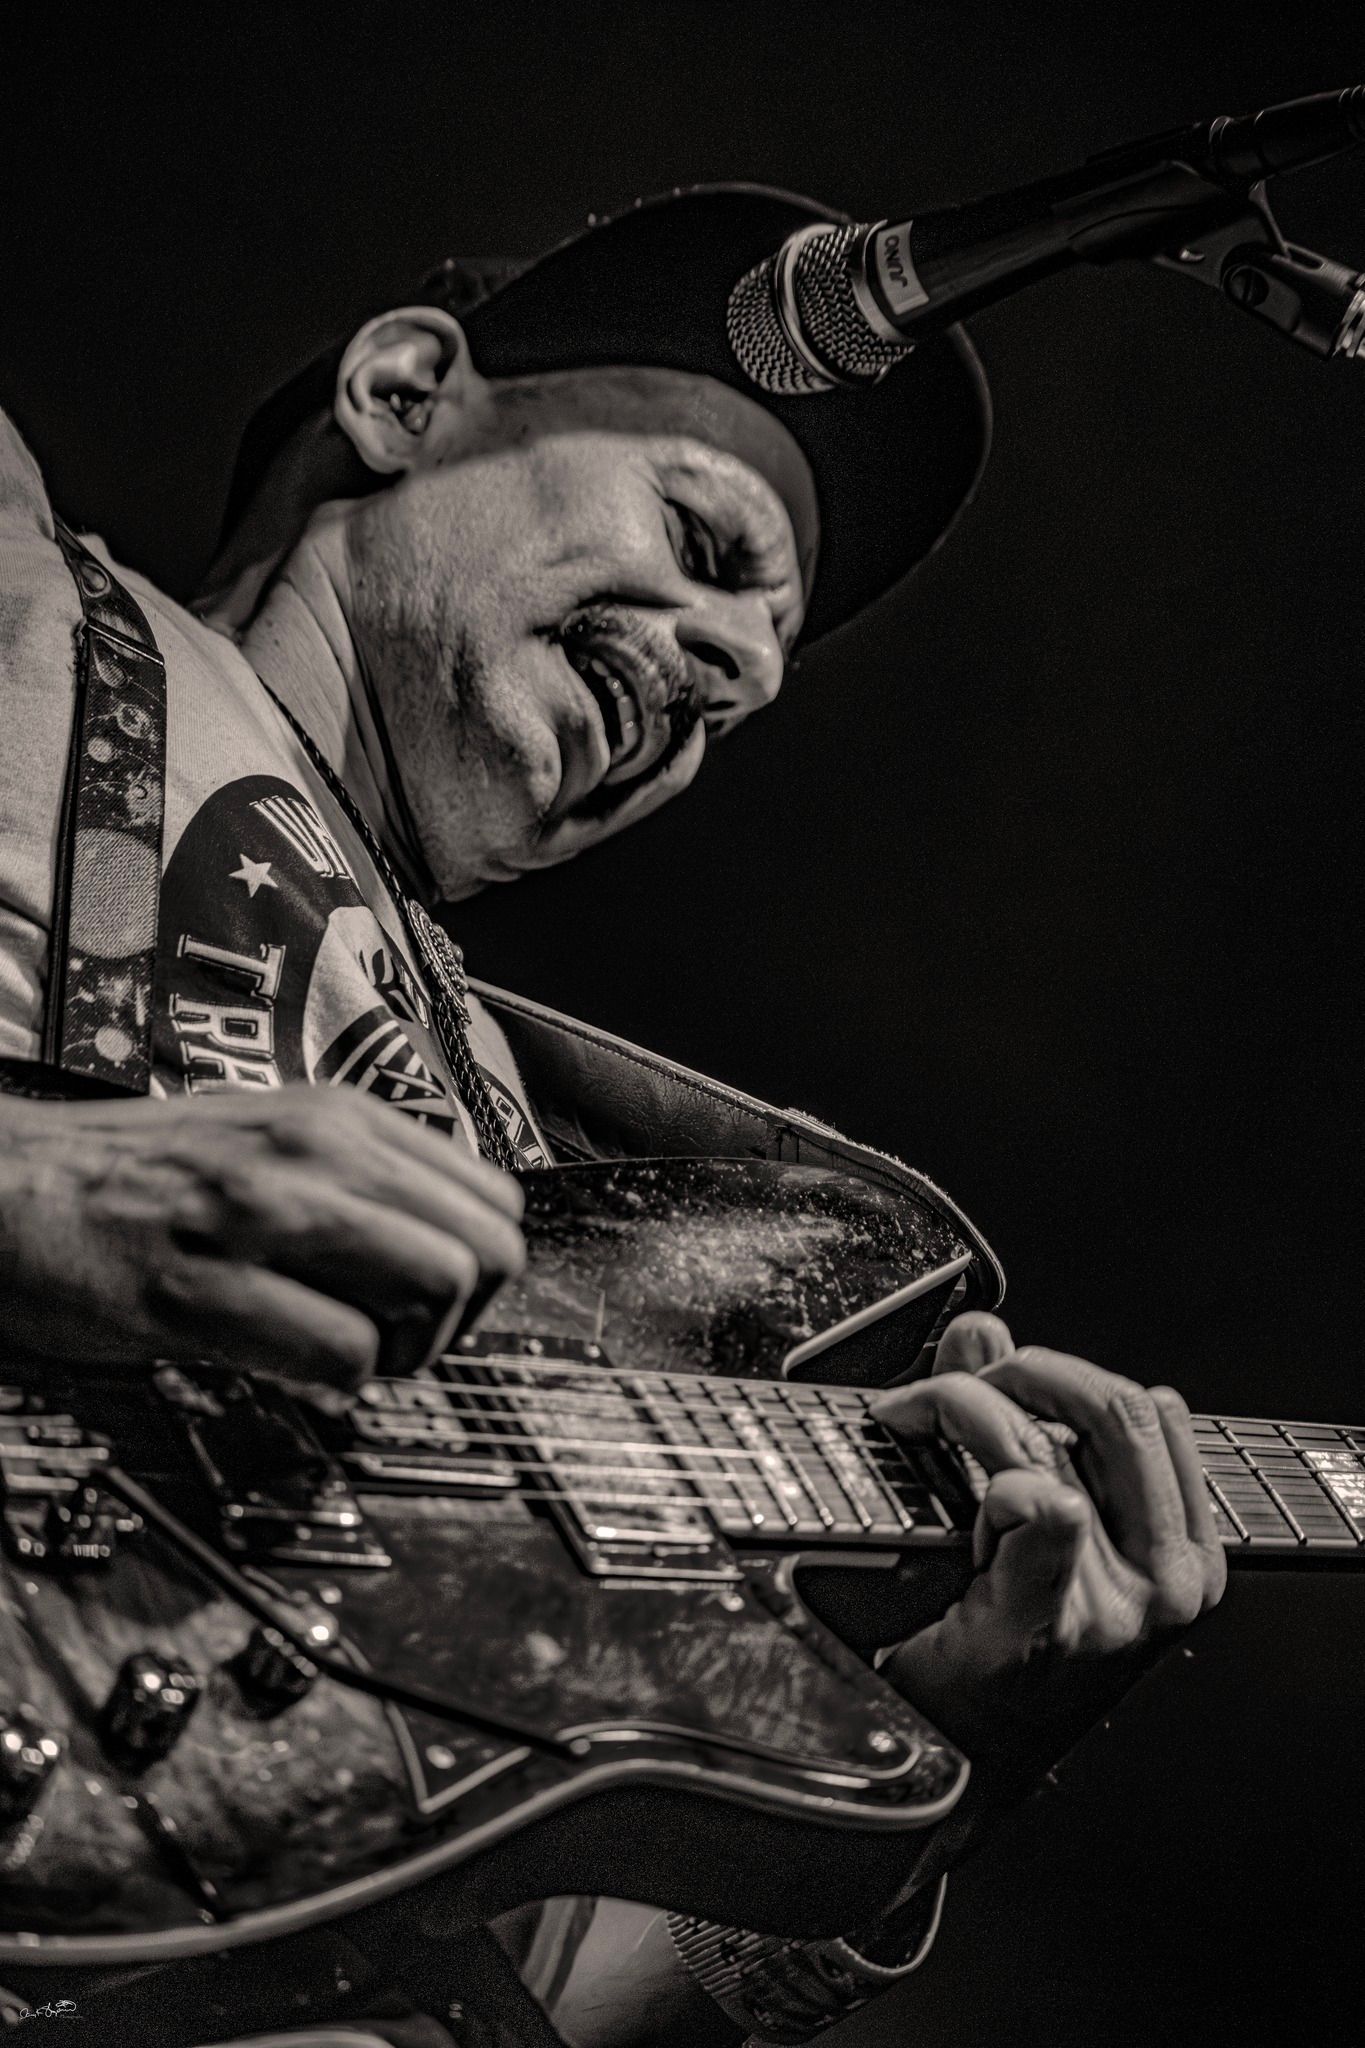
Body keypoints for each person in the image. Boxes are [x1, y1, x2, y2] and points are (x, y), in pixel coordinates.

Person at [0, 187, 1225, 2047]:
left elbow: (536, 1991)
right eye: (704, 535)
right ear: (408, 395)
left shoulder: (580, 1221)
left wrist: (949, 1738)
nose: (733, 665)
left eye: (761, 671)